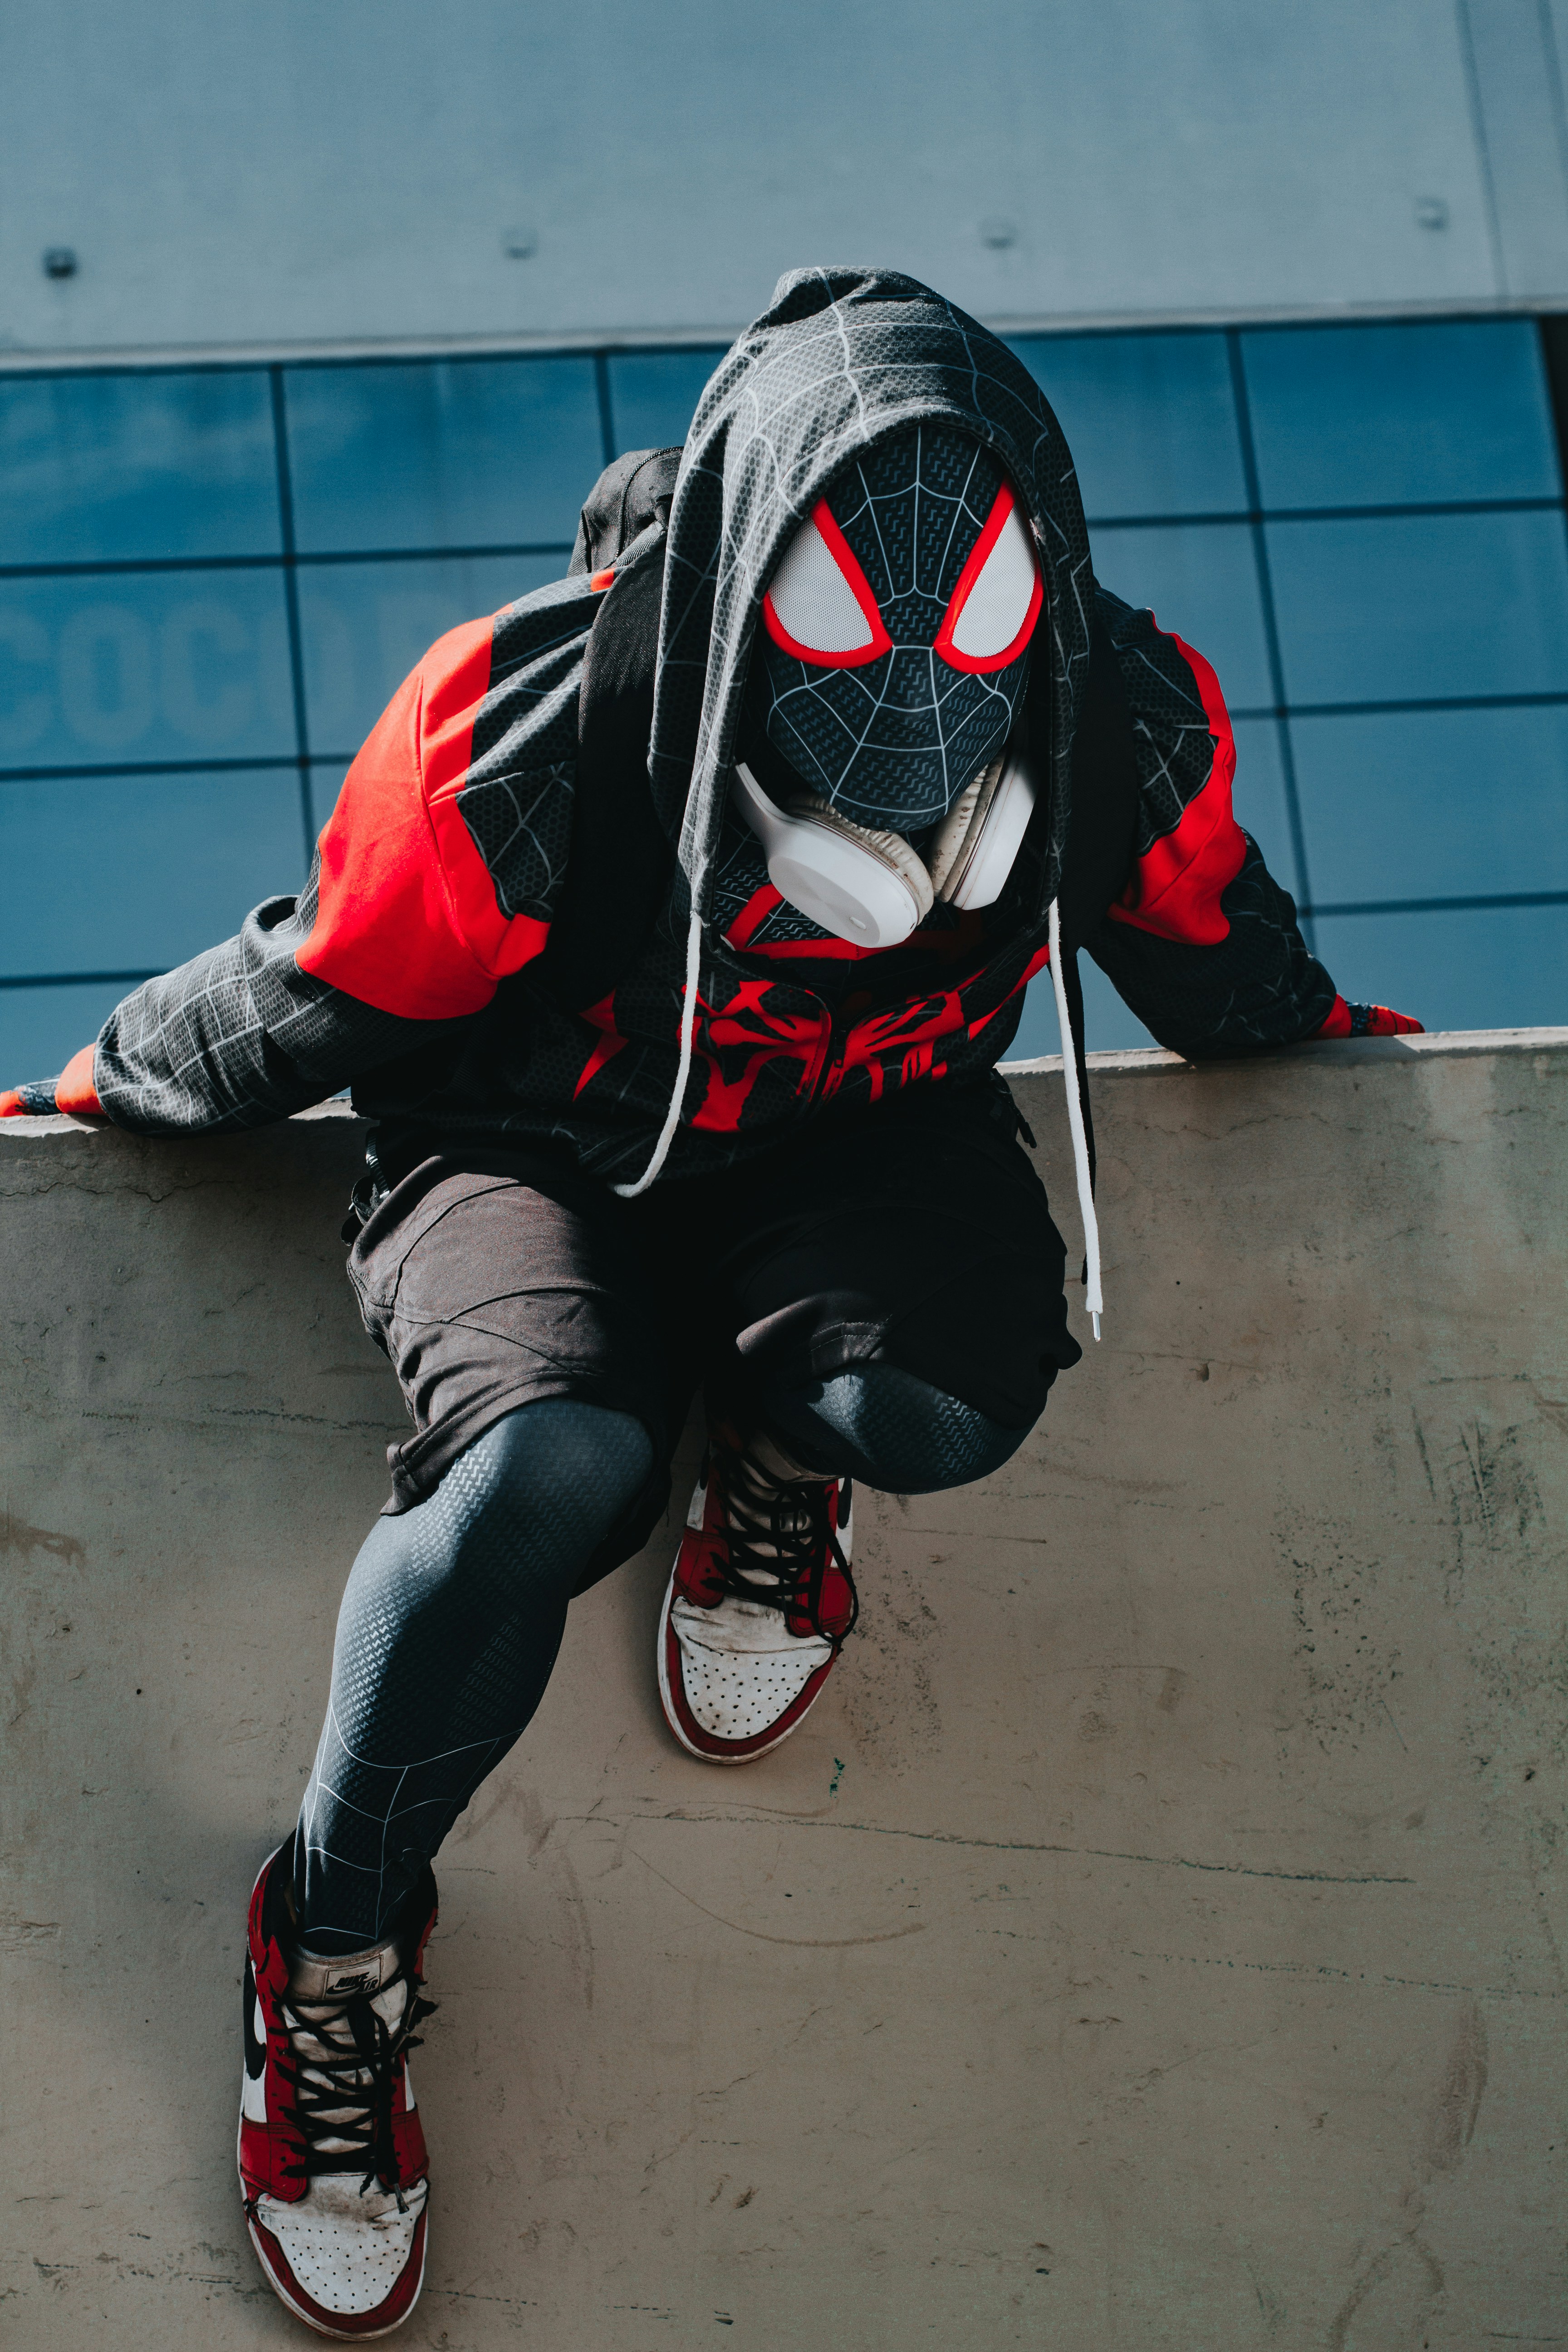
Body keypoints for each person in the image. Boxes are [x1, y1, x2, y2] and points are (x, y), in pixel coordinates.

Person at [2, 267, 1421, 2339]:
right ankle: (329, 1941)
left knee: (945, 1397)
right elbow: (317, 990)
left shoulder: (1107, 709)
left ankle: (777, 1448)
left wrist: (1341, 1052)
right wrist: (82, 1091)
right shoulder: (529, 722)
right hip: (526, 1150)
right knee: (550, 1468)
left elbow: (1215, 952)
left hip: (847, 1152)